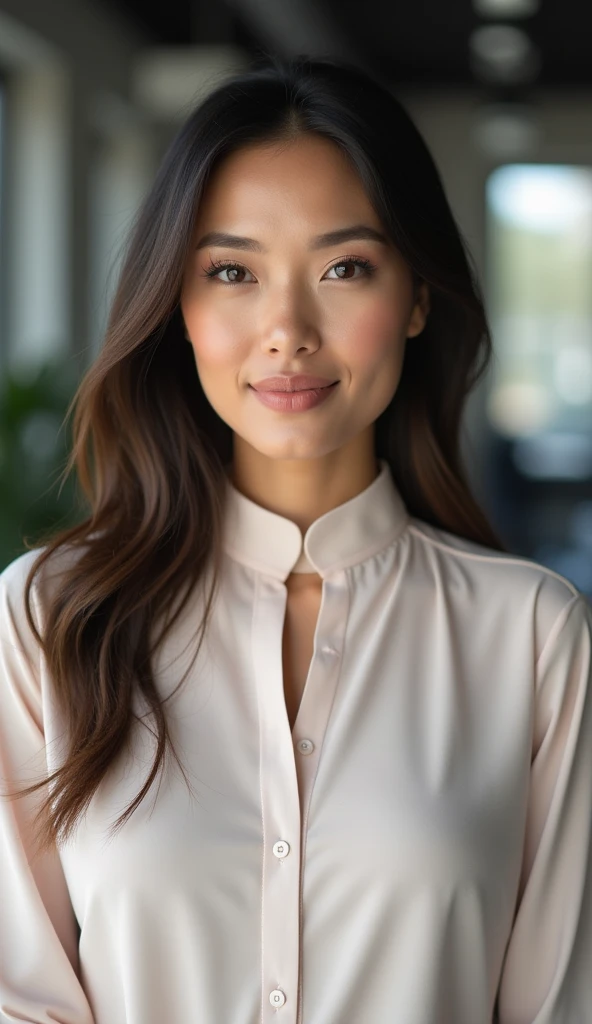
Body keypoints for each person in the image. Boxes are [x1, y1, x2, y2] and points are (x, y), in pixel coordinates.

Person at [1, 53, 591, 1024]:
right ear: (177, 308)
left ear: (413, 299)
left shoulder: (529, 636)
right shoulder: (48, 620)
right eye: (231, 271)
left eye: (343, 268)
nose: (286, 328)